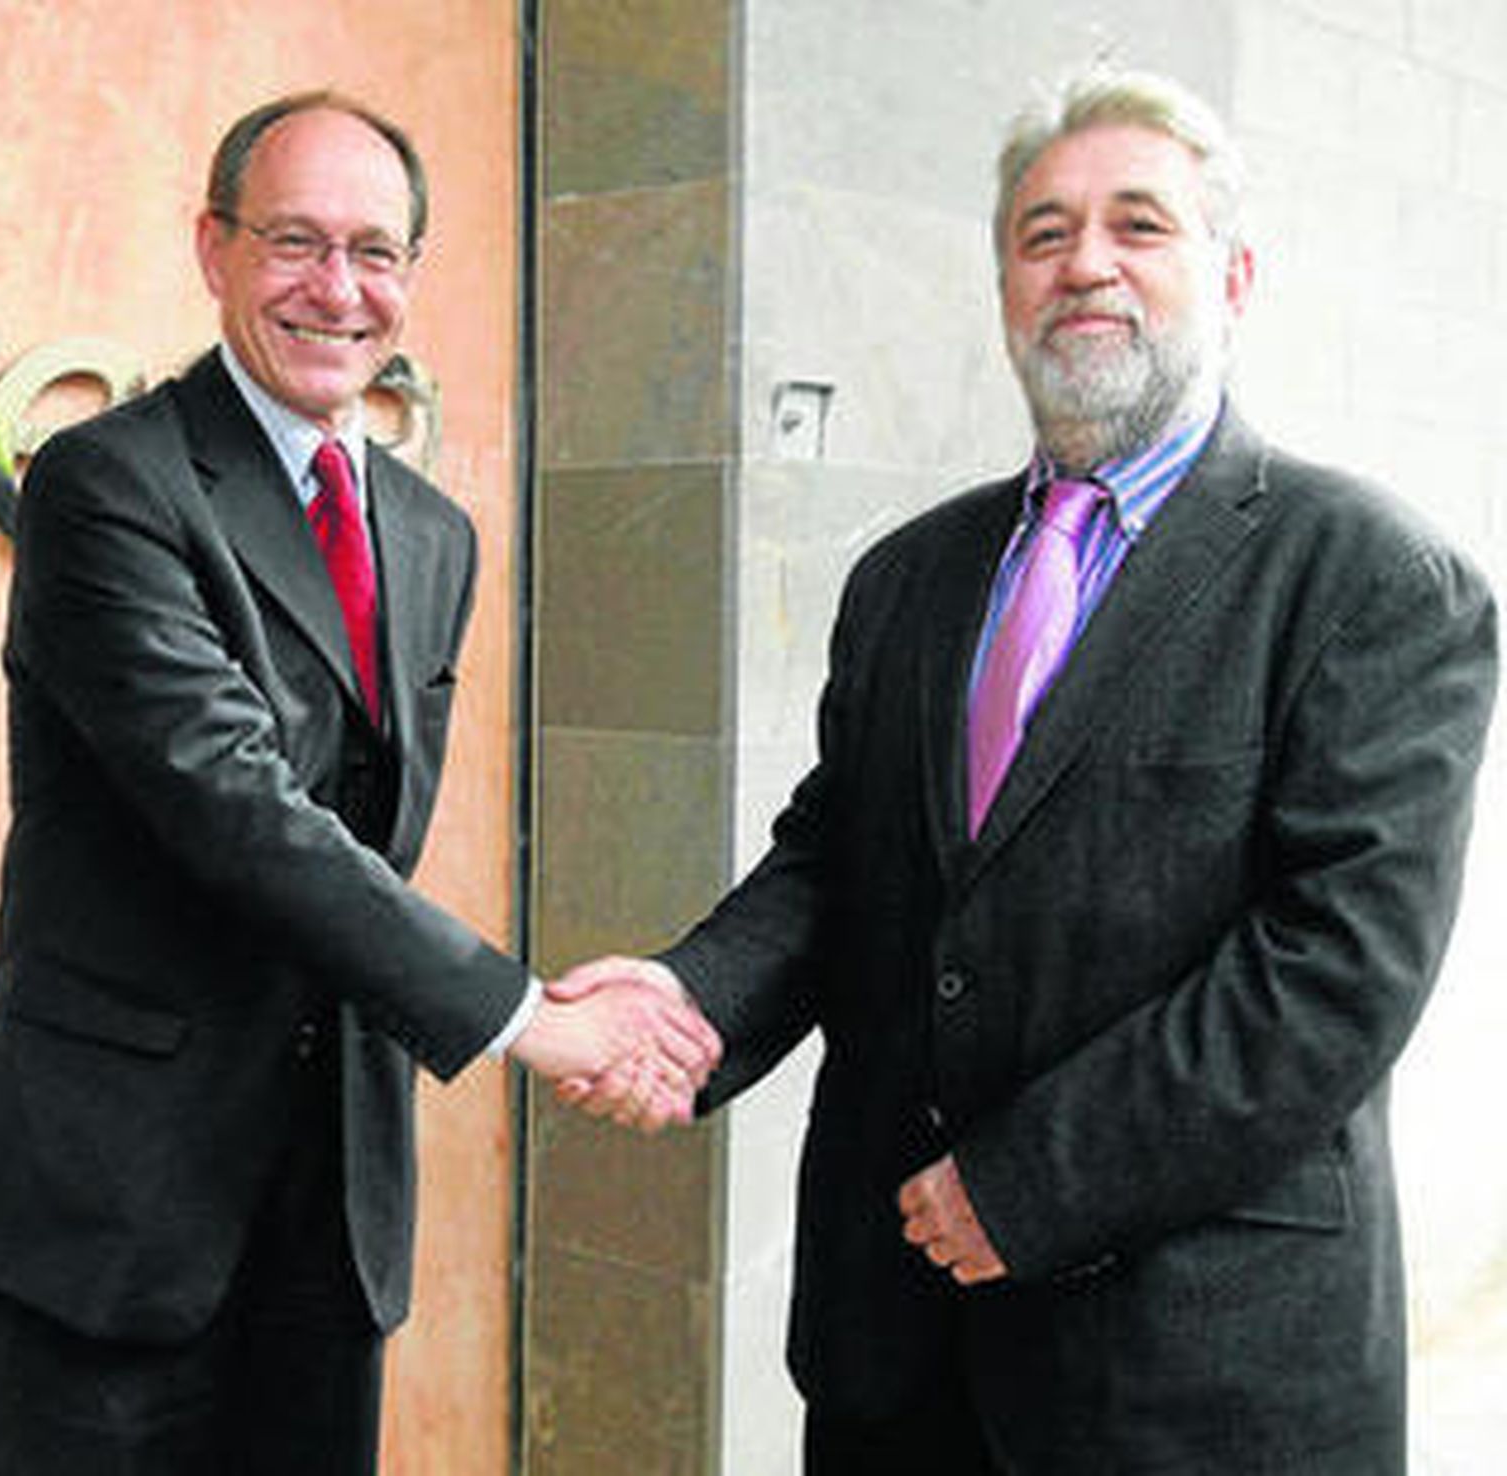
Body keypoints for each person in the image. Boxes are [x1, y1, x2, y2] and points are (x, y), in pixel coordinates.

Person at [554, 69, 1498, 1473]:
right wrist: (695, 995)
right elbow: (840, 856)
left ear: (1233, 273)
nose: (1086, 265)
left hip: (1195, 1375)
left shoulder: (1369, 578)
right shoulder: (908, 578)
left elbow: (1334, 971)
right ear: (1003, 278)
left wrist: (1027, 1184)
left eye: (1139, 225)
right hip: (901, 1362)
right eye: (1044, 233)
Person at [0, 91, 718, 1476]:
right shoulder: (107, 484)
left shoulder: (430, 534)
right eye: (295, 241)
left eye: (376, 250)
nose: (338, 289)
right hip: (116, 1199)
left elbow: (369, 835)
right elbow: (236, 808)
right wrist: (524, 1016)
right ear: (214, 247)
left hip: (333, 1208)